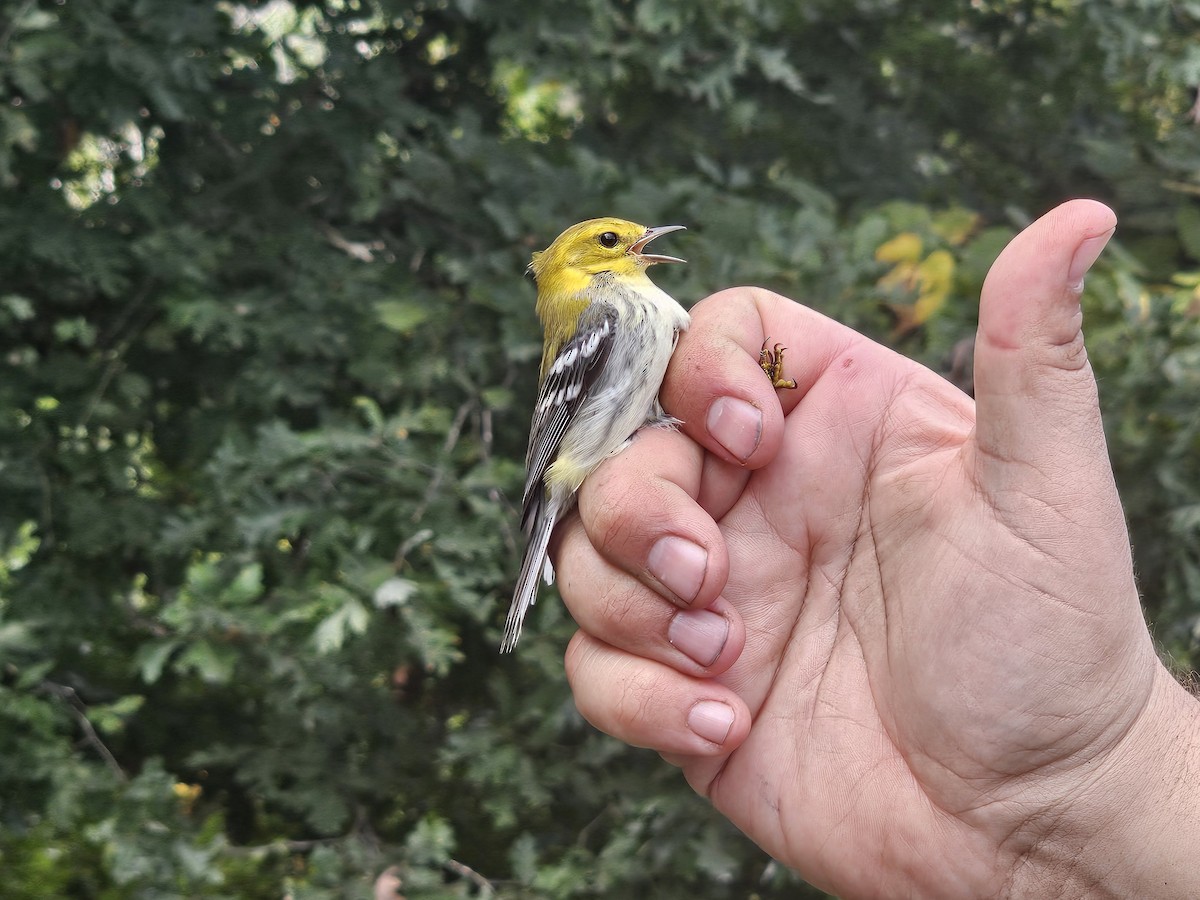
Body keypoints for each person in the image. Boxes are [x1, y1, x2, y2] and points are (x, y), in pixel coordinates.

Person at [552, 200, 1200, 898]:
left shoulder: (650, 310)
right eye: (619, 242)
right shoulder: (601, 311)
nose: (641, 245)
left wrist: (1108, 767)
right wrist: (1102, 794)